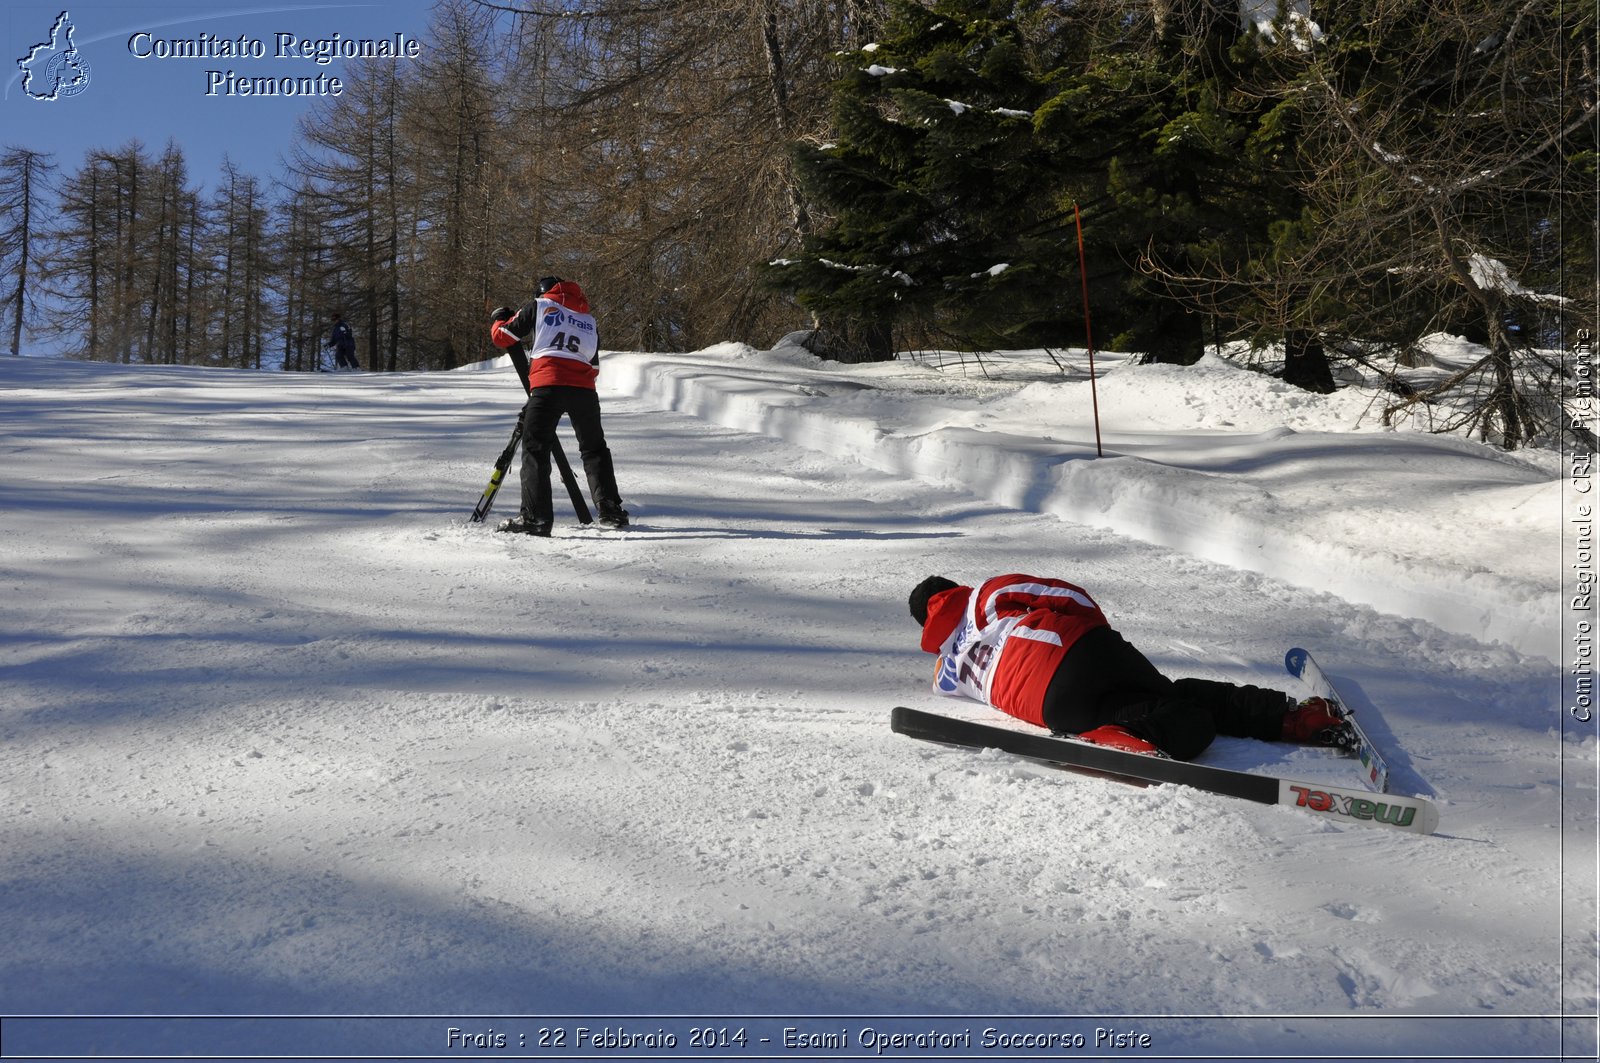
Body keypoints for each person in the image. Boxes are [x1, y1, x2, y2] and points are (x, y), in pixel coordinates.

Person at [908, 573, 1349, 761]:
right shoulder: (985, 594)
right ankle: (1295, 720)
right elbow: (1070, 597)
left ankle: (1133, 737)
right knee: (1175, 693)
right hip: (1076, 651)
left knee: (1171, 715)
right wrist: (1096, 638)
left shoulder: (944, 675)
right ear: (955, 590)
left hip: (1056, 710)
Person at [489, 276, 628, 535]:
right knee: (594, 448)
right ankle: (611, 511)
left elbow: (504, 335)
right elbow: (594, 366)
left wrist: (499, 318)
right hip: (584, 390)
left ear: (543, 292)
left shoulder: (539, 306)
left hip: (547, 386)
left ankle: (536, 517)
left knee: (535, 449)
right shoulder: (589, 321)